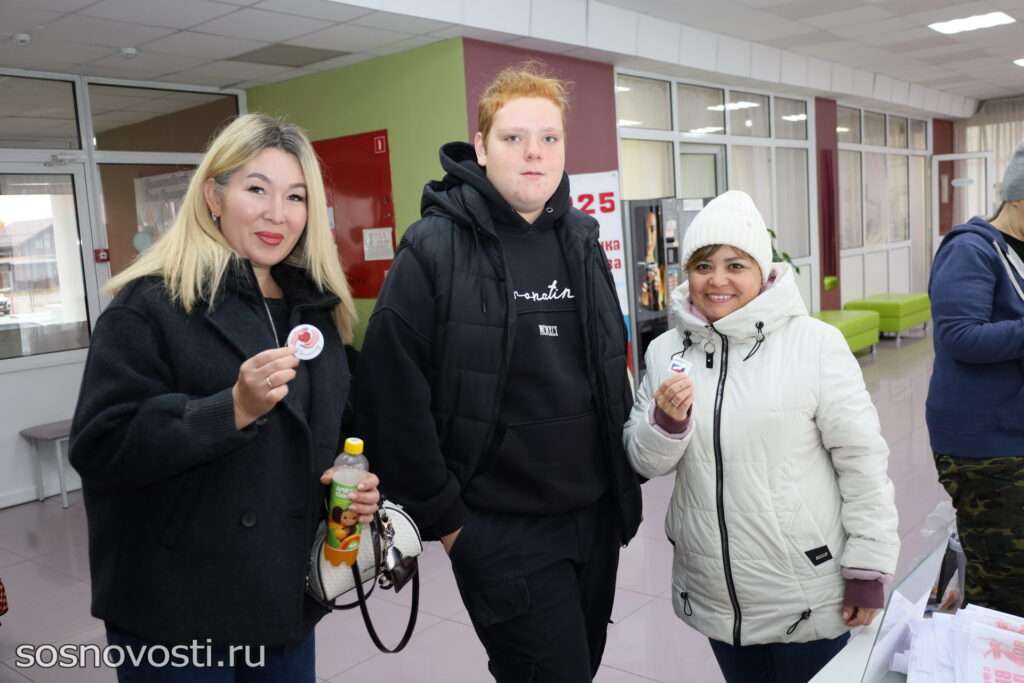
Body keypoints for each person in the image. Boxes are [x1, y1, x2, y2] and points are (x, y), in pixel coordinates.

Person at [353, 63, 641, 682]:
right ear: (481, 147)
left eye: (549, 138)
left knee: (580, 667)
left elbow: (604, 370)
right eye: (513, 138)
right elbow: (391, 394)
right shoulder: (433, 247)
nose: (533, 153)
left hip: (592, 521)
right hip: (499, 530)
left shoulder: (584, 240)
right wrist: (451, 523)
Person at [69, 113, 380, 682]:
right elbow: (100, 445)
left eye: (295, 196)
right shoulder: (151, 305)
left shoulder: (315, 307)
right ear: (214, 195)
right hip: (176, 608)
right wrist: (230, 410)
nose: (276, 214)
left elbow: (336, 427)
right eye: (255, 189)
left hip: (283, 599)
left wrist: (353, 477)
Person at [624, 190, 900, 683]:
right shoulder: (665, 349)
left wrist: (868, 570)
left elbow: (862, 462)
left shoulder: (815, 346)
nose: (718, 279)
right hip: (716, 589)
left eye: (736, 264)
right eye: (703, 265)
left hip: (805, 588)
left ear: (763, 271)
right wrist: (667, 424)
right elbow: (645, 461)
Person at [928, 144, 1024, 616]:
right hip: (984, 445)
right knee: (1004, 581)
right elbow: (961, 336)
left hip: (1012, 431)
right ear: (1018, 198)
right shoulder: (971, 248)